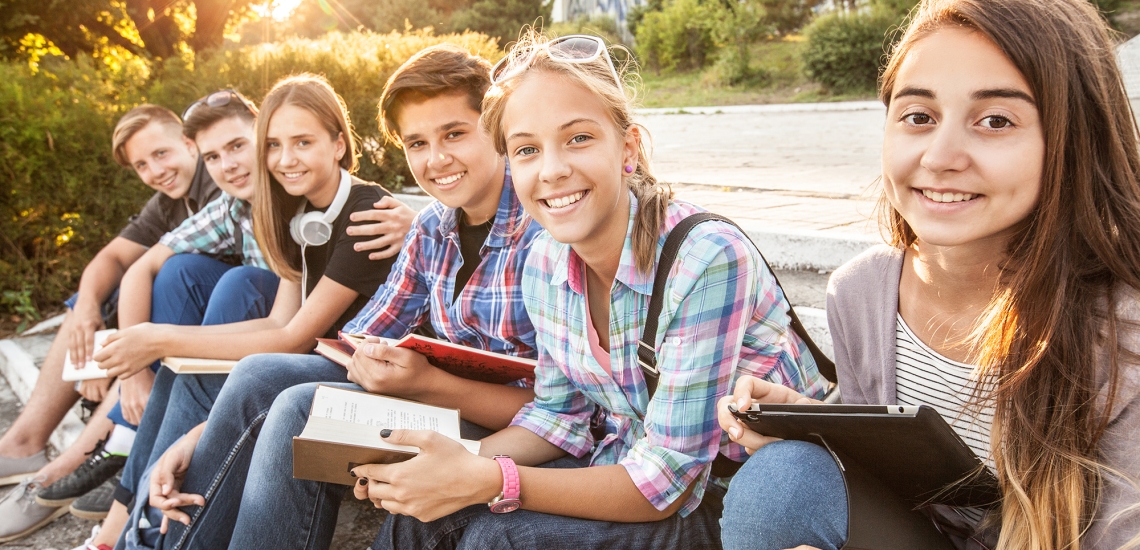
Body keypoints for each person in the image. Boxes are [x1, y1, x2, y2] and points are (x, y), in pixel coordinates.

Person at [349, 33, 826, 550]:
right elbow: (559, 416)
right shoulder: (544, 262)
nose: (552, 170)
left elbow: (667, 484)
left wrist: (489, 478)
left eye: (578, 138)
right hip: (623, 464)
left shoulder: (705, 258)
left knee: (498, 537)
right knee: (419, 518)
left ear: (628, 148)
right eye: (528, 149)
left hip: (730, 500)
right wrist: (443, 467)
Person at [716, 1, 1140, 549]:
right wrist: (821, 423)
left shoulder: (1122, 325)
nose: (941, 157)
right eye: (919, 115)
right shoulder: (862, 293)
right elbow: (895, 478)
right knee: (784, 477)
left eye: (995, 121)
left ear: (1073, 141)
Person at [143, 44, 544, 550]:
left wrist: (428, 383)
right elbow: (358, 339)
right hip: (431, 396)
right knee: (258, 374)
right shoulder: (431, 228)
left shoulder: (540, 229)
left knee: (296, 409)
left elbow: (563, 411)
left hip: (507, 424)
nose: (436, 158)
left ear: (497, 127)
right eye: (417, 142)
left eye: (455, 134)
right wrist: (205, 435)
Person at [77, 73, 402, 550]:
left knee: (245, 367)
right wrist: (165, 349)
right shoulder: (297, 215)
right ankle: (134, 532)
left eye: (302, 142)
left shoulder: (363, 211)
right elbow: (279, 324)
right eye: (273, 145)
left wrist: (161, 338)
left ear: (338, 144)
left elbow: (292, 336)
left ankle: (144, 541)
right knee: (180, 370)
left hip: (371, 378)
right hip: (322, 363)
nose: (285, 159)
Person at [0, 104, 223, 543]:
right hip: (172, 329)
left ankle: (71, 464)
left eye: (160, 154)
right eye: (142, 164)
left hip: (215, 328)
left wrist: (128, 366)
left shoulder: (224, 186)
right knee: (91, 299)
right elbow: (113, 258)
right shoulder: (171, 199)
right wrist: (86, 309)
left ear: (188, 142)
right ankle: (23, 443)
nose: (154, 170)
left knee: (171, 278)